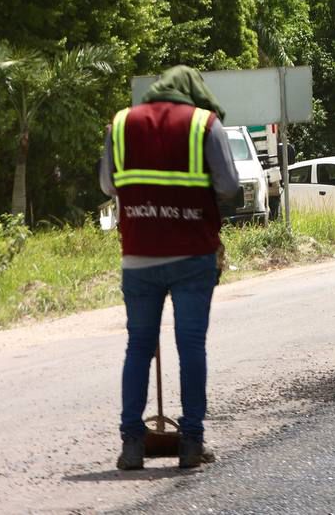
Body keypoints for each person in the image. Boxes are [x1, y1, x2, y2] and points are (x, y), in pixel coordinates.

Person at [98, 66, 241, 470]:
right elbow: (229, 186)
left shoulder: (121, 124)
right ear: (193, 91)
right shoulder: (204, 124)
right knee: (191, 346)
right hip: (192, 255)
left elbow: (108, 186)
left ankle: (131, 445)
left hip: (139, 256)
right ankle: (191, 443)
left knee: (138, 348)